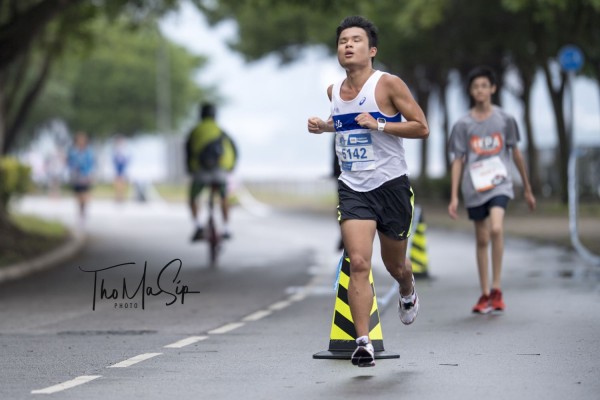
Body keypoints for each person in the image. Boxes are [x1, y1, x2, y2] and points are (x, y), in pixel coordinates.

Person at [307, 15, 429, 367]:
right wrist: (324, 126)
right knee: (358, 262)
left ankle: (407, 288)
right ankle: (363, 342)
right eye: (343, 41)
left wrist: (381, 124)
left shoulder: (388, 85)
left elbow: (421, 127)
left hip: (390, 186)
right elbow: (347, 125)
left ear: (372, 50)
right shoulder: (333, 91)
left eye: (356, 40)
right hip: (353, 188)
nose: (348, 45)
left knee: (395, 265)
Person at [447, 66, 536, 315]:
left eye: (485, 86)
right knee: (482, 239)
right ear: (470, 91)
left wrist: (527, 188)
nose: (480, 90)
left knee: (496, 228)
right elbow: (458, 160)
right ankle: (485, 293)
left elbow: (516, 153)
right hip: (474, 187)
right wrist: (454, 196)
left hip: (500, 184)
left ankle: (497, 289)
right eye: (476, 86)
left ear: (493, 88)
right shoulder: (462, 124)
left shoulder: (505, 120)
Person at [185, 103, 237, 241]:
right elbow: (234, 149)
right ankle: (226, 228)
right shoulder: (221, 130)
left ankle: (198, 227)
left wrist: (190, 169)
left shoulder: (195, 131)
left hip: (201, 171)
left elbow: (188, 152)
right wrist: (231, 167)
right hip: (220, 170)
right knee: (224, 197)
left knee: (193, 197)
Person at [67, 132, 94, 226]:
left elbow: (91, 164)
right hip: (76, 176)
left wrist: (90, 174)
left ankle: (83, 212)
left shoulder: (89, 152)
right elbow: (70, 163)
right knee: (78, 195)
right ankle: (80, 212)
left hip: (85, 175)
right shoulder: (73, 152)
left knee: (85, 195)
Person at [112, 135, 130, 202]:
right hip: (118, 166)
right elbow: (114, 158)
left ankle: (121, 195)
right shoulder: (116, 148)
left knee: (121, 181)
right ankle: (118, 195)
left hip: (122, 166)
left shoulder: (124, 149)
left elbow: (127, 158)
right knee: (118, 181)